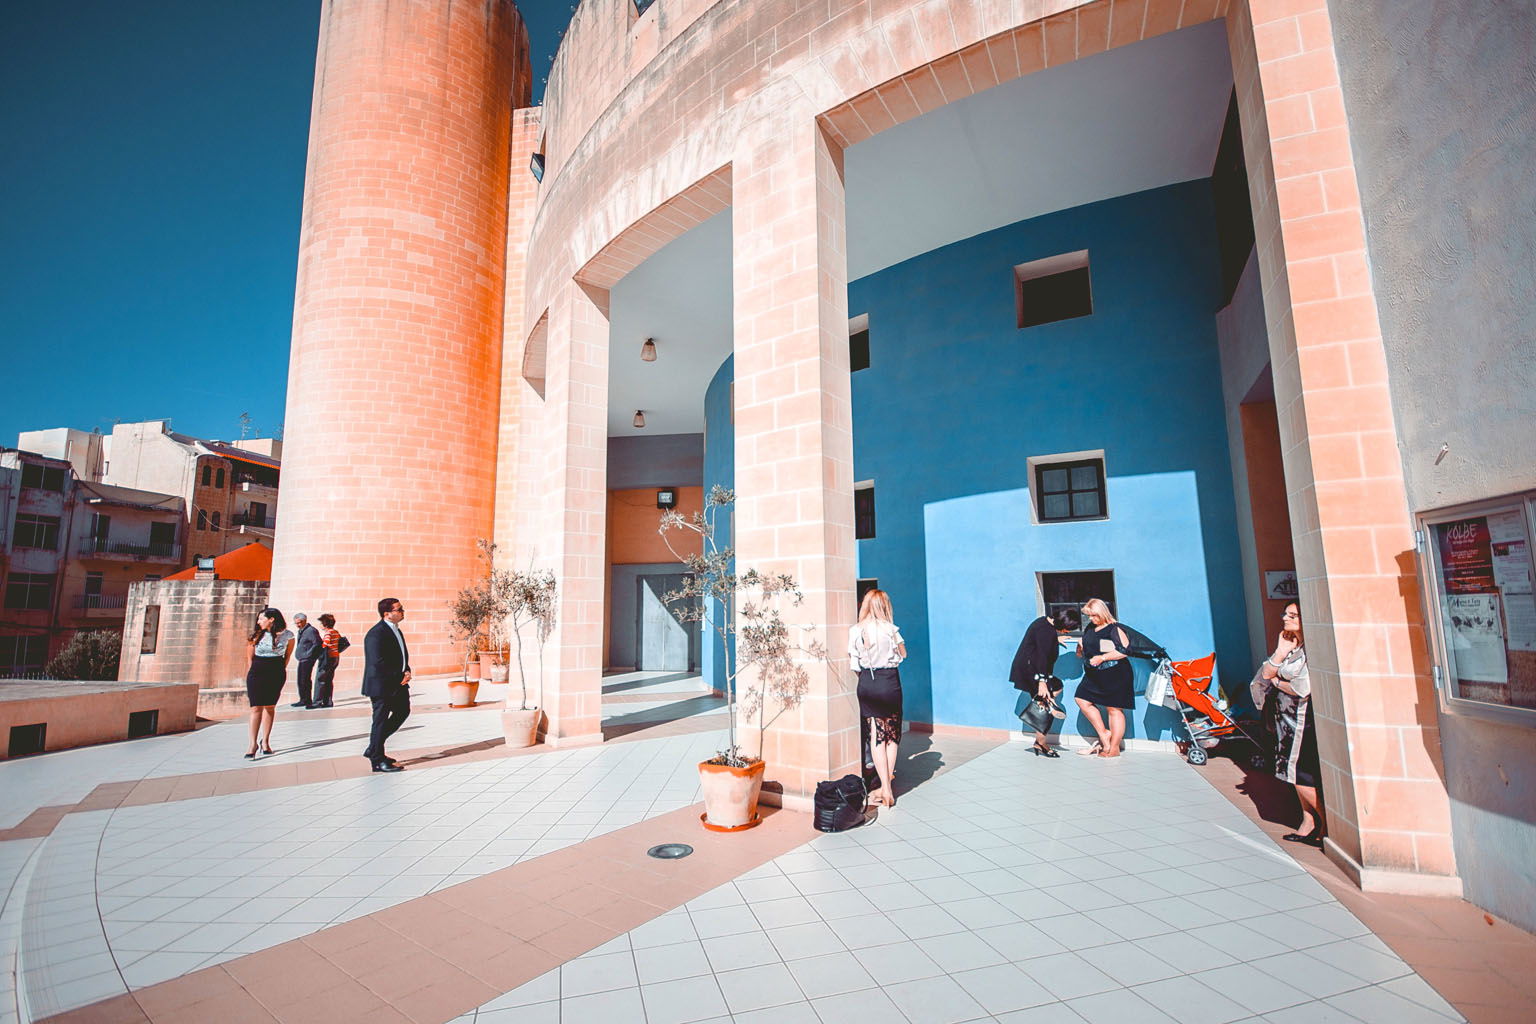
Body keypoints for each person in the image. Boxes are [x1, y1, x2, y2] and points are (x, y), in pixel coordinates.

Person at [1261, 601, 1323, 847]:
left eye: (1293, 615)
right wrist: (1280, 650)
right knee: (1290, 773)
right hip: (1285, 720)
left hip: (1301, 721)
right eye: (1285, 614)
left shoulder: (1310, 651)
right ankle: (1307, 822)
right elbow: (1266, 672)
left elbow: (1302, 688)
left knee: (1300, 775)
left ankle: (1327, 823)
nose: (1285, 618)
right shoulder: (1293, 647)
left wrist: (1277, 683)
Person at [848, 589, 906, 808]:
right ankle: (886, 787)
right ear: (885, 606)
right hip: (890, 682)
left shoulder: (856, 630)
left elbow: (854, 665)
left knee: (876, 737)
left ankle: (885, 788)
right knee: (892, 735)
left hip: (868, 682)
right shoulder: (892, 630)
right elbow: (903, 655)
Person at [1010, 608, 1080, 757]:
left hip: (1030, 668)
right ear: (1061, 623)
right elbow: (1041, 657)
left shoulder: (1043, 623)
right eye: (1067, 630)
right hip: (1032, 671)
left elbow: (1039, 643)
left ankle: (1043, 704)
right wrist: (1042, 681)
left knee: (1054, 688)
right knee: (1045, 702)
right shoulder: (1047, 632)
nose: (1067, 633)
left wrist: (1056, 639)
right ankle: (1041, 743)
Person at [1074, 598, 1135, 758]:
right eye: (1089, 616)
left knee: (1114, 709)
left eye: (1094, 615)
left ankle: (1113, 748)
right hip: (1094, 674)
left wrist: (1103, 658)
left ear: (1102, 613)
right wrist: (1080, 650)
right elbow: (1088, 650)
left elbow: (1124, 651)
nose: (1091, 619)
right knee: (1081, 699)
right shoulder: (1090, 628)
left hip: (1115, 673)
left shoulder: (1114, 628)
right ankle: (1104, 734)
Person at [363, 597, 412, 773]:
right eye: (398, 609)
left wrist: (406, 670)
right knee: (380, 721)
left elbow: (400, 655)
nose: (402, 611)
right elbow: (377, 662)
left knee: (403, 712)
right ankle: (377, 760)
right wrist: (398, 676)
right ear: (387, 614)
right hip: (382, 685)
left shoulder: (395, 630)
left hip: (397, 683)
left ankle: (373, 747)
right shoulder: (376, 634)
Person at [244, 608, 294, 759]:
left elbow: (287, 656)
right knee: (256, 708)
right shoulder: (256, 635)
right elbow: (250, 658)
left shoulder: (288, 636)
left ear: (271, 619)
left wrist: (279, 670)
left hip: (276, 672)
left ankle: (265, 741)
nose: (258, 622)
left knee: (270, 707)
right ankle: (252, 744)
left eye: (261, 619)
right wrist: (250, 674)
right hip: (257, 672)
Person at [290, 613, 323, 709]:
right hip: (302, 659)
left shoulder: (311, 630)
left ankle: (307, 700)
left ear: (304, 621)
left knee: (305, 679)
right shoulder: (301, 630)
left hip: (307, 659)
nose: (298, 625)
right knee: (300, 680)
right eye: (296, 623)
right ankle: (303, 699)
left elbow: (317, 643)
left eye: (299, 623)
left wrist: (308, 654)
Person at [313, 613, 341, 708]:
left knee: (320, 679)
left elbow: (325, 645)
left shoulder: (328, 633)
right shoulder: (336, 632)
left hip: (327, 658)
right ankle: (328, 701)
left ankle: (317, 702)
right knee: (329, 679)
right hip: (335, 657)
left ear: (325, 624)